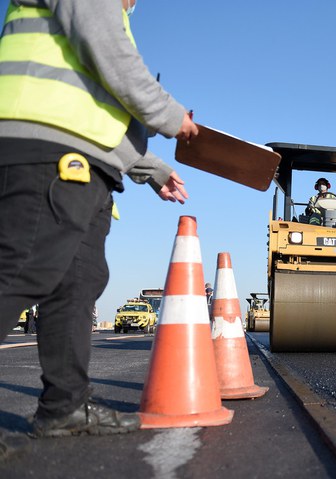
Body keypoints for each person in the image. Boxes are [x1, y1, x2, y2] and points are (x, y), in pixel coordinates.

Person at [0, 0, 199, 437]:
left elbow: (100, 110)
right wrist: (171, 117)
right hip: (45, 148)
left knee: (79, 283)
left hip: (86, 162)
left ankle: (64, 408)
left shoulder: (118, 14)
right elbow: (110, 54)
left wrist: (153, 170)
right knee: (21, 270)